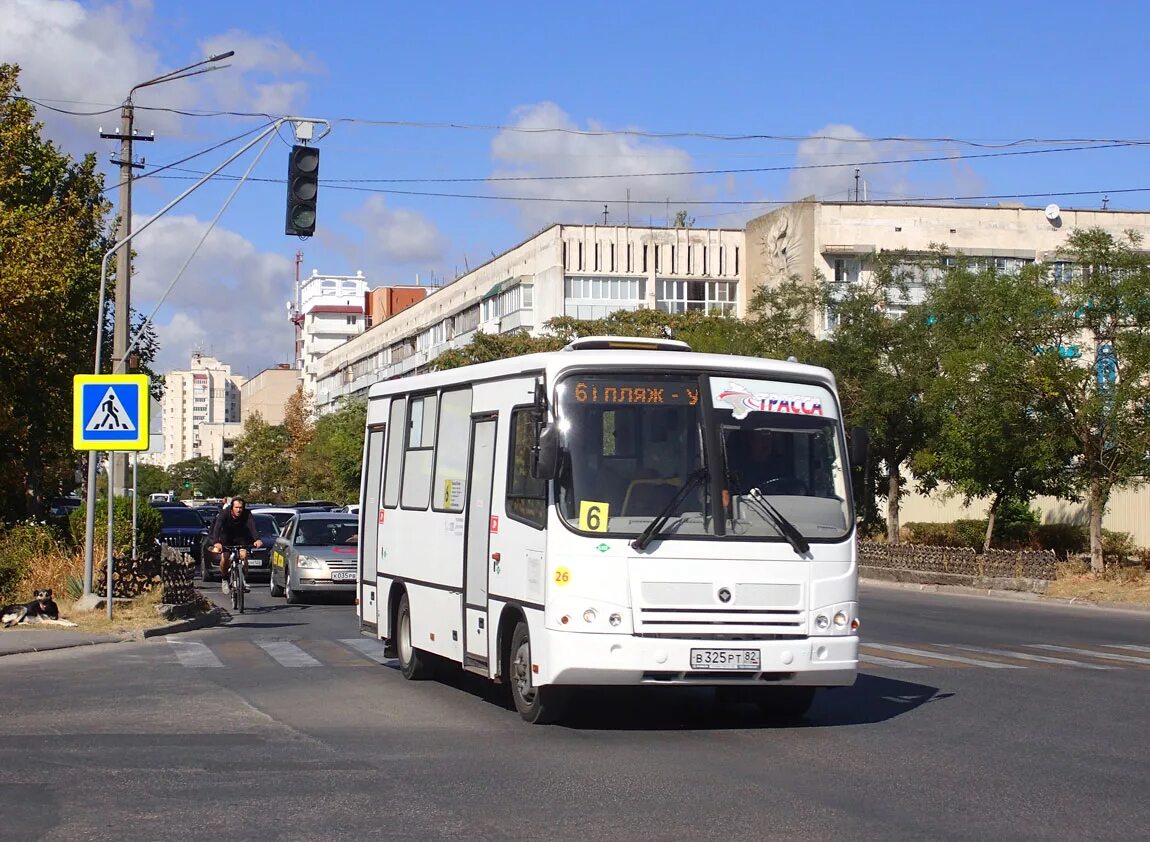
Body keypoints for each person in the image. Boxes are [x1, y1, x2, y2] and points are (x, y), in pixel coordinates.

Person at [208, 496, 263, 593]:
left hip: (241, 538)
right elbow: (217, 527)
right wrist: (216, 542)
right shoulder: (224, 513)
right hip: (227, 538)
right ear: (232, 507)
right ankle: (225, 578)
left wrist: (257, 539)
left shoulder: (247, 514)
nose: (239, 510)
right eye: (236, 507)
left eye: (240, 508)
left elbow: (252, 527)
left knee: (243, 555)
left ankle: (243, 580)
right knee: (225, 558)